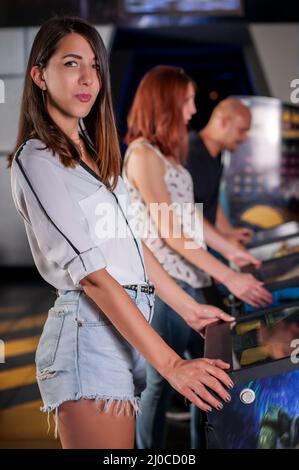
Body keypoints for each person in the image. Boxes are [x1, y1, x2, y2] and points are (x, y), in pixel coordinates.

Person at [9, 17, 236, 450]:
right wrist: (171, 365)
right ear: (39, 75)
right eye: (71, 63)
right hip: (87, 333)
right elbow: (92, 274)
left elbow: (135, 248)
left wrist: (190, 310)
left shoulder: (95, 155)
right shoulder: (35, 159)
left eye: (95, 66)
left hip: (124, 329)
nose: (88, 79)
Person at [123, 65, 273, 448]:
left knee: (208, 377)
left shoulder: (168, 157)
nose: (192, 110)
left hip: (189, 282)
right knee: (159, 384)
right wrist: (229, 275)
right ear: (167, 101)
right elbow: (171, 232)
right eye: (187, 100)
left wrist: (231, 252)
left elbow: (193, 220)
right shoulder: (142, 154)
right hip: (164, 287)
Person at [186, 98, 254, 245]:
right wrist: (224, 241)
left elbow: (211, 202)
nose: (244, 138)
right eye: (241, 130)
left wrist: (230, 231)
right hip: (190, 251)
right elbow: (188, 211)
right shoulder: (191, 153)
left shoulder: (217, 155)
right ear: (222, 122)